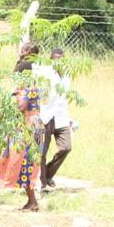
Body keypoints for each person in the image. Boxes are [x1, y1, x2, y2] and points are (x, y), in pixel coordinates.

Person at [0, 51, 42, 211]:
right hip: (28, 128)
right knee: (23, 164)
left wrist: (12, 97)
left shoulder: (27, 89)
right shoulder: (32, 87)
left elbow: (20, 106)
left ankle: (29, 200)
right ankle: (29, 200)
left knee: (12, 160)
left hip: (25, 130)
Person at [38, 47, 72, 189]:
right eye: (56, 60)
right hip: (46, 116)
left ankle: (48, 173)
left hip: (61, 116)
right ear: (51, 60)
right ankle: (43, 182)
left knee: (66, 147)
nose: (59, 62)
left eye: (61, 60)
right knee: (42, 152)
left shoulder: (67, 76)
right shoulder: (45, 73)